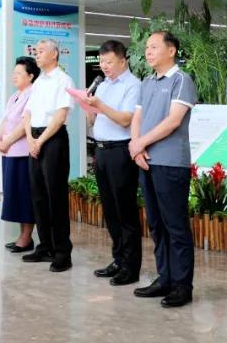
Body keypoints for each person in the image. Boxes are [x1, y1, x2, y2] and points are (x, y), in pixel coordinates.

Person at [129, 31, 198, 308]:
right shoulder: (146, 82)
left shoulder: (181, 80)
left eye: (154, 47)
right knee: (156, 224)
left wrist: (140, 143)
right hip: (146, 160)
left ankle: (182, 286)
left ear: (171, 50)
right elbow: (137, 117)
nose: (148, 51)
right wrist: (136, 146)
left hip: (170, 163)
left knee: (175, 226)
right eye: (147, 47)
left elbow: (173, 121)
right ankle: (164, 278)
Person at [87, 40, 142, 286]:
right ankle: (118, 259)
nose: (104, 66)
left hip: (121, 151)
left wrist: (99, 105)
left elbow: (125, 120)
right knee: (110, 210)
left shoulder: (133, 85)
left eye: (109, 62)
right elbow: (94, 121)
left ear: (122, 60)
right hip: (101, 151)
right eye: (101, 62)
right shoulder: (102, 86)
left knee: (125, 210)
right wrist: (88, 105)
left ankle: (131, 267)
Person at [22, 38, 75, 273]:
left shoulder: (64, 80)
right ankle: (45, 246)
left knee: (56, 197)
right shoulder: (39, 81)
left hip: (53, 140)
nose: (37, 54)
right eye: (36, 51)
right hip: (34, 138)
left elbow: (60, 116)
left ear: (54, 54)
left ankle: (62, 252)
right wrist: (30, 139)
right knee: (38, 196)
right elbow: (28, 113)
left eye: (41, 51)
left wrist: (40, 141)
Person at [0, 57, 38, 254]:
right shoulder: (15, 95)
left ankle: (26, 237)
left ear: (30, 76)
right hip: (9, 153)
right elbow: (5, 120)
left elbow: (24, 125)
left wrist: (6, 141)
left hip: (22, 152)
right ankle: (22, 235)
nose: (14, 76)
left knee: (24, 195)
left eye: (19, 73)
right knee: (13, 194)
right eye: (13, 73)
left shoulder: (33, 94)